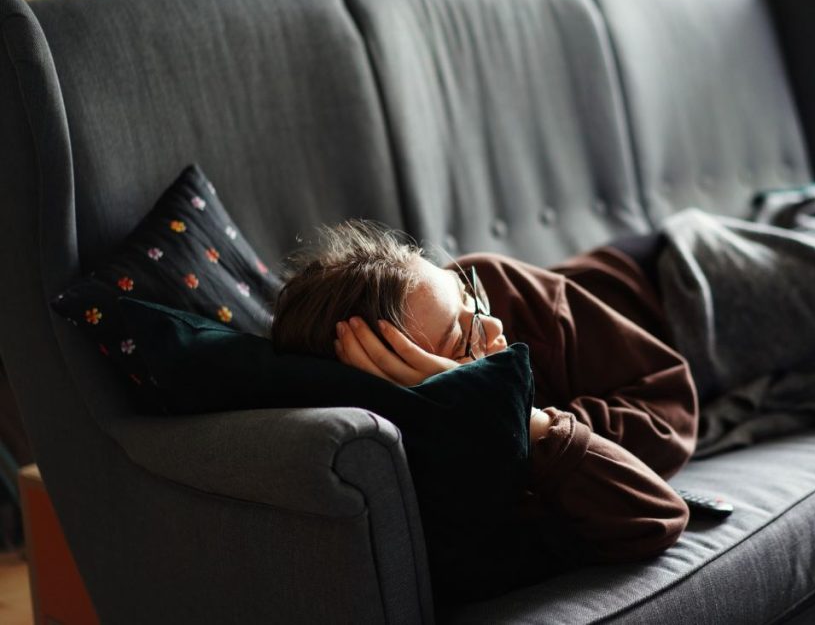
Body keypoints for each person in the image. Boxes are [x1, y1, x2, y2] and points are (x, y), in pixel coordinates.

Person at [270, 220, 698, 576]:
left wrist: (549, 426)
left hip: (677, 273)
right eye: (461, 339)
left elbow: (671, 405)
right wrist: (513, 414)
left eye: (467, 295)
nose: (493, 326)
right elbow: (656, 514)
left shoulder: (497, 284)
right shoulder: (450, 463)